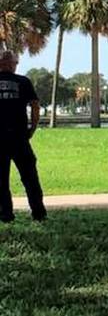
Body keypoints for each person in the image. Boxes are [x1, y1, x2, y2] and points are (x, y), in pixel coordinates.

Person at [0, 50, 46, 222]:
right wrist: (32, 128)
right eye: (14, 63)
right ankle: (38, 213)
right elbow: (35, 106)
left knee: (1, 181)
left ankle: (5, 215)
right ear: (12, 64)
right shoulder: (23, 81)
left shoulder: (24, 80)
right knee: (30, 177)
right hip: (19, 137)